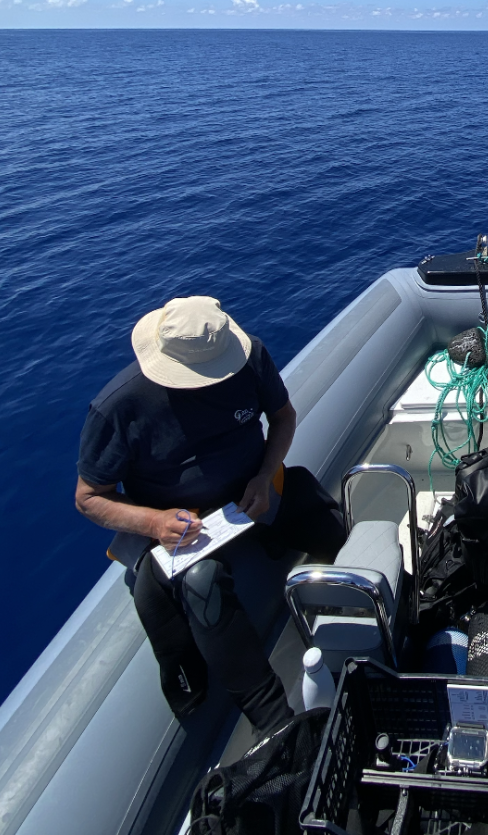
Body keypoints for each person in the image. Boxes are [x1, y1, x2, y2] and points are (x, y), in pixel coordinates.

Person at [75, 296, 345, 733]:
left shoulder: (251, 357)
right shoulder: (119, 408)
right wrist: (154, 524)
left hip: (252, 492)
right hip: (183, 528)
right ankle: (276, 725)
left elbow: (283, 418)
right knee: (204, 590)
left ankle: (377, 617)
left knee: (326, 520)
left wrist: (265, 473)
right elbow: (89, 497)